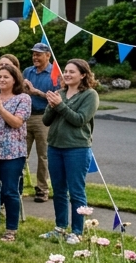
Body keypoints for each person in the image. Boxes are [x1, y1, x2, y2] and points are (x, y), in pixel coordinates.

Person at [41, 59, 99, 244]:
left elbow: (79, 120)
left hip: (77, 148)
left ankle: (77, 231)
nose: (66, 74)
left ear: (83, 75)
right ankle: (60, 228)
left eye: (72, 72)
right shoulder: (60, 93)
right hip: (55, 147)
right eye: (65, 71)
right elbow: (46, 121)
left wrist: (59, 105)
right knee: (58, 190)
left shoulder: (90, 95)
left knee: (76, 191)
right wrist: (52, 106)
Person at [0, 63, 31, 242]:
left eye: (6, 77)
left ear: (14, 80)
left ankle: (11, 229)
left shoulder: (23, 98)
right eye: (0, 77)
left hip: (12, 152)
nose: (2, 80)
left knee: (10, 191)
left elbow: (17, 123)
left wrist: (0, 107)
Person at [21, 43, 57, 203]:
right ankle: (17, 187)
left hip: (44, 117)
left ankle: (42, 189)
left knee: (43, 156)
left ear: (48, 55)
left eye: (39, 54)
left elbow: (57, 98)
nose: (35, 57)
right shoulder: (28, 72)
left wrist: (37, 92)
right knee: (21, 154)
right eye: (34, 54)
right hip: (25, 117)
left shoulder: (54, 74)